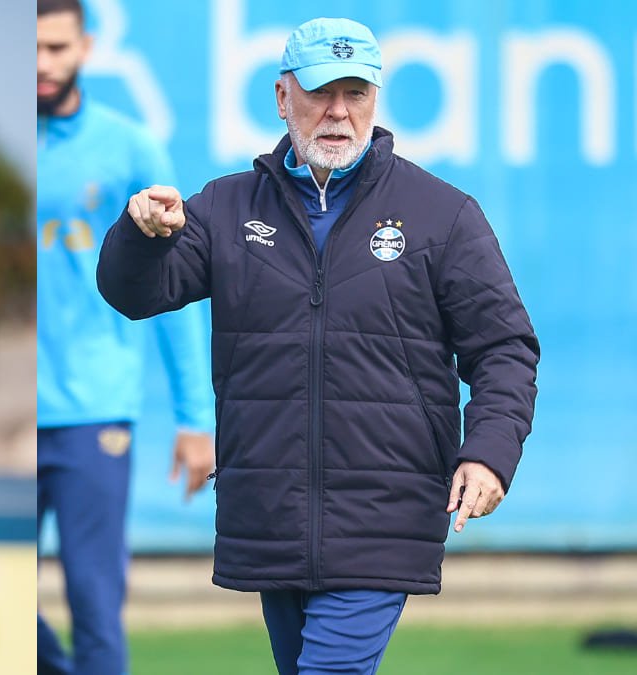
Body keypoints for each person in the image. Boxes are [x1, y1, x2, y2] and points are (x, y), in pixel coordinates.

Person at [97, 17, 539, 675]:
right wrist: (142, 236)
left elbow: (504, 346)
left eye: (355, 93)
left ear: (375, 100)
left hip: (383, 518)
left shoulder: (442, 215)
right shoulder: (223, 209)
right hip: (270, 517)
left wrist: (491, 454)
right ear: (283, 98)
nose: (338, 111)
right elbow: (136, 293)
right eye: (320, 92)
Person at [36, 1, 216, 673]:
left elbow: (172, 291)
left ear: (85, 45)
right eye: (30, 49)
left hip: (94, 411)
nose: (42, 64)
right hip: (13, 422)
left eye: (56, 47)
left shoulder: (129, 147)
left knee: (94, 605)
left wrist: (196, 418)